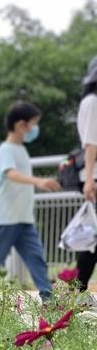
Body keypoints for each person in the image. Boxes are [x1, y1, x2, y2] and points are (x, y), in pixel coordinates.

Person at [0, 101, 61, 300]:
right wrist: (39, 181)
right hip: (7, 218)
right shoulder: (6, 149)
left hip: (24, 219)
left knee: (36, 260)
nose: (35, 129)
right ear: (20, 124)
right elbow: (11, 174)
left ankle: (49, 300)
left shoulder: (22, 150)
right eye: (33, 123)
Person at [75, 55, 97, 293]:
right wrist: (89, 178)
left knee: (93, 238)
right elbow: (91, 142)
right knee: (92, 237)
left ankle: (77, 291)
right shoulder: (91, 101)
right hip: (94, 176)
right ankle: (77, 290)